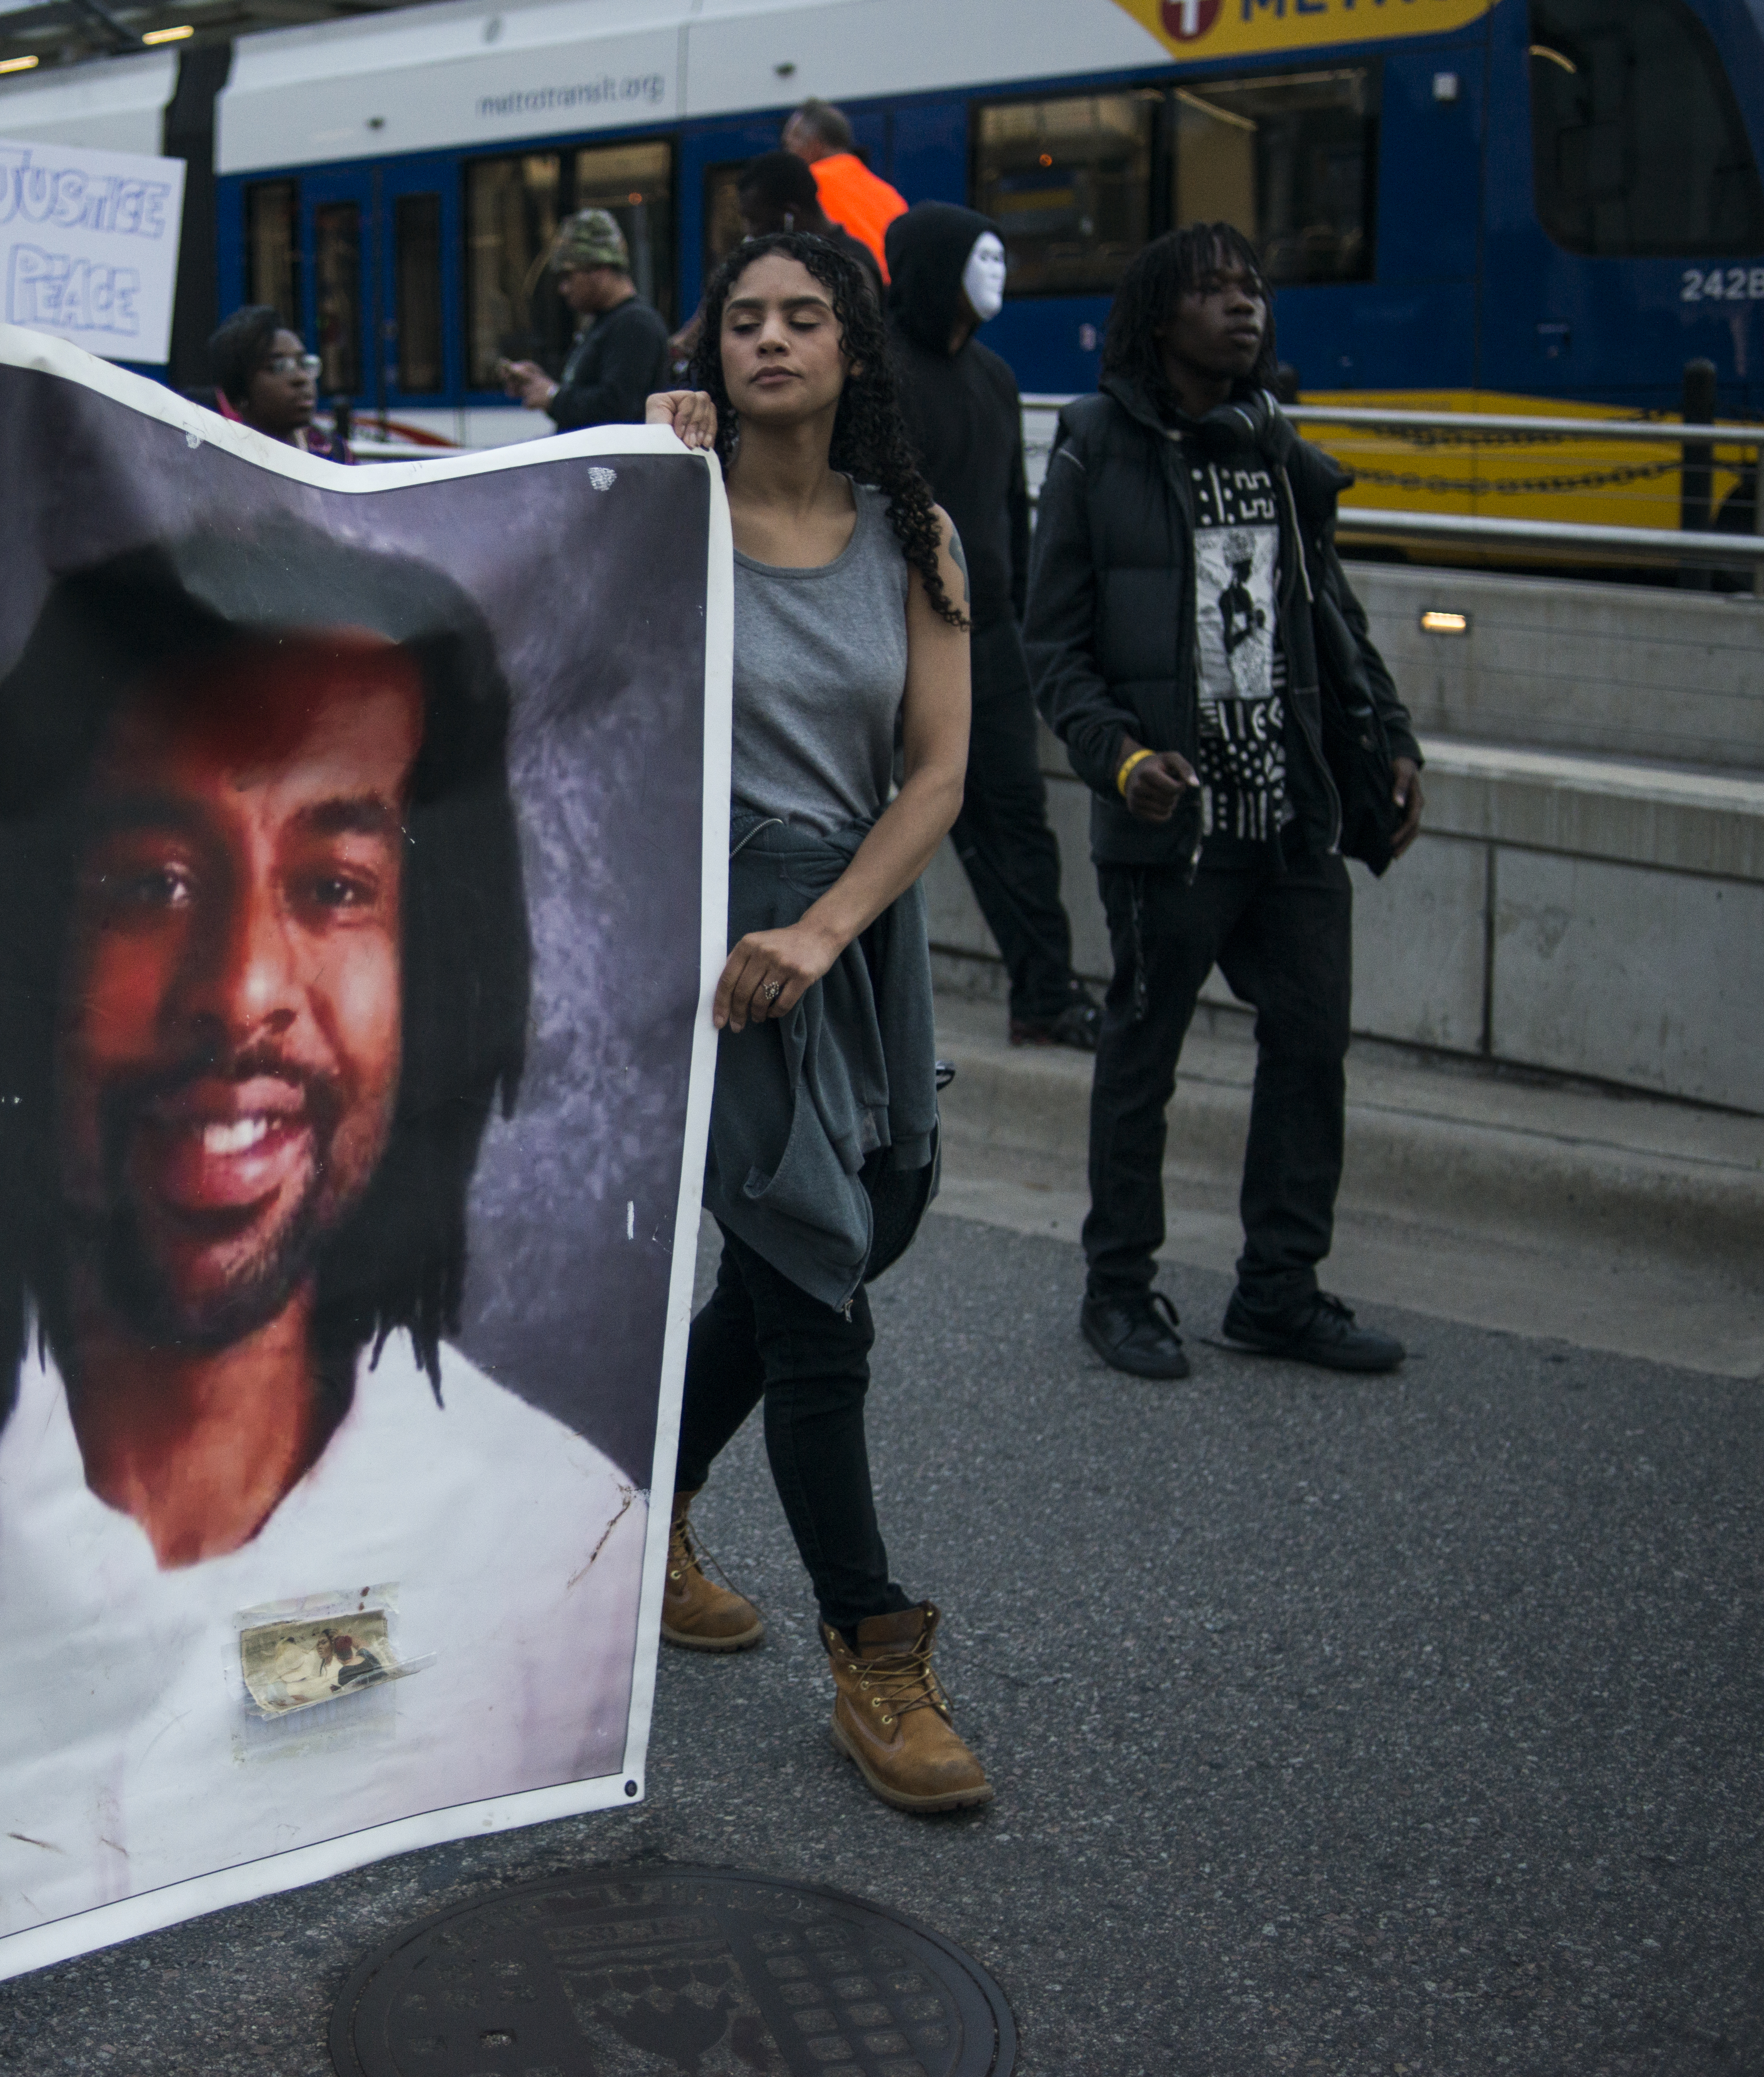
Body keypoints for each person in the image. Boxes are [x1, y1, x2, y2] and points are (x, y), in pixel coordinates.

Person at [0, 522, 639, 2001]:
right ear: (24, 947)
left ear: (444, 966)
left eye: (338, 886)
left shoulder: (563, 1560)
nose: (243, 992)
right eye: (148, 884)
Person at [645, 233, 986, 1816]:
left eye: (806, 316)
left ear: (854, 346)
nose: (771, 339)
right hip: (718, 939)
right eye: (744, 318)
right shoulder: (657, 510)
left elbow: (938, 775)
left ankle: (641, 1510)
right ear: (708, 348)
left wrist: (829, 925)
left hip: (852, 927)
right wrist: (629, 484)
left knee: (875, 1213)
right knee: (812, 1302)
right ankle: (876, 1651)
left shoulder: (916, 536)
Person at [1023, 222, 1425, 1383]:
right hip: (1171, 825)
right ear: (1160, 318)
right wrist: (1120, 761)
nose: (1243, 307)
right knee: (1143, 1053)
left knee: (1311, 1047)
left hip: (1289, 814)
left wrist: (1387, 738)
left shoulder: (1272, 440)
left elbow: (1330, 611)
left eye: (1252, 288)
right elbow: (1053, 645)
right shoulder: (1098, 441)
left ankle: (1280, 1292)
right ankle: (1119, 1289)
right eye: (1213, 290)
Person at [885, 204, 1098, 1049]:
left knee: (1017, 812)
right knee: (932, 818)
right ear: (937, 267)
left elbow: (1011, 512)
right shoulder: (878, 377)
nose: (999, 274)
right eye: (982, 258)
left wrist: (1024, 620)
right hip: (903, 637)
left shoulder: (996, 378)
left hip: (992, 634)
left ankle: (1044, 990)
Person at [499, 209, 671, 430]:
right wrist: (541, 383)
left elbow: (619, 408)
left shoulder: (635, 325)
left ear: (599, 269)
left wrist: (553, 396)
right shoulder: (607, 323)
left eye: (568, 276)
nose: (563, 289)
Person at [203, 304, 351, 458]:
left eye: (303, 363)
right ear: (240, 388)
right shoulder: (223, 460)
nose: (301, 378)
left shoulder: (335, 453)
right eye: (279, 367)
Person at [783, 99, 908, 273]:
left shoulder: (806, 185)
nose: (789, 153)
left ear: (815, 143)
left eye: (790, 145)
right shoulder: (887, 192)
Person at [735, 152, 884, 286]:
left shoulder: (848, 267)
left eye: (754, 221)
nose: (748, 232)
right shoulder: (845, 257)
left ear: (790, 215)